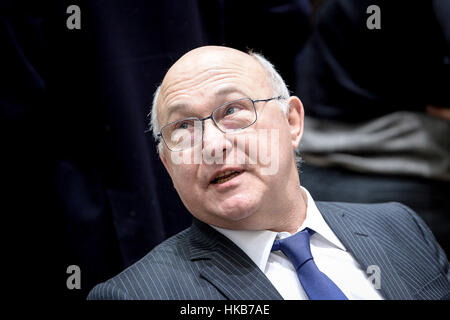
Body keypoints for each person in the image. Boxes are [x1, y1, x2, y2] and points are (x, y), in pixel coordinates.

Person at [87, 46, 450, 300]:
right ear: (167, 164)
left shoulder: (399, 225)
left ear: (292, 121)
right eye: (183, 127)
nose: (212, 145)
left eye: (232, 110)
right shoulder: (136, 295)